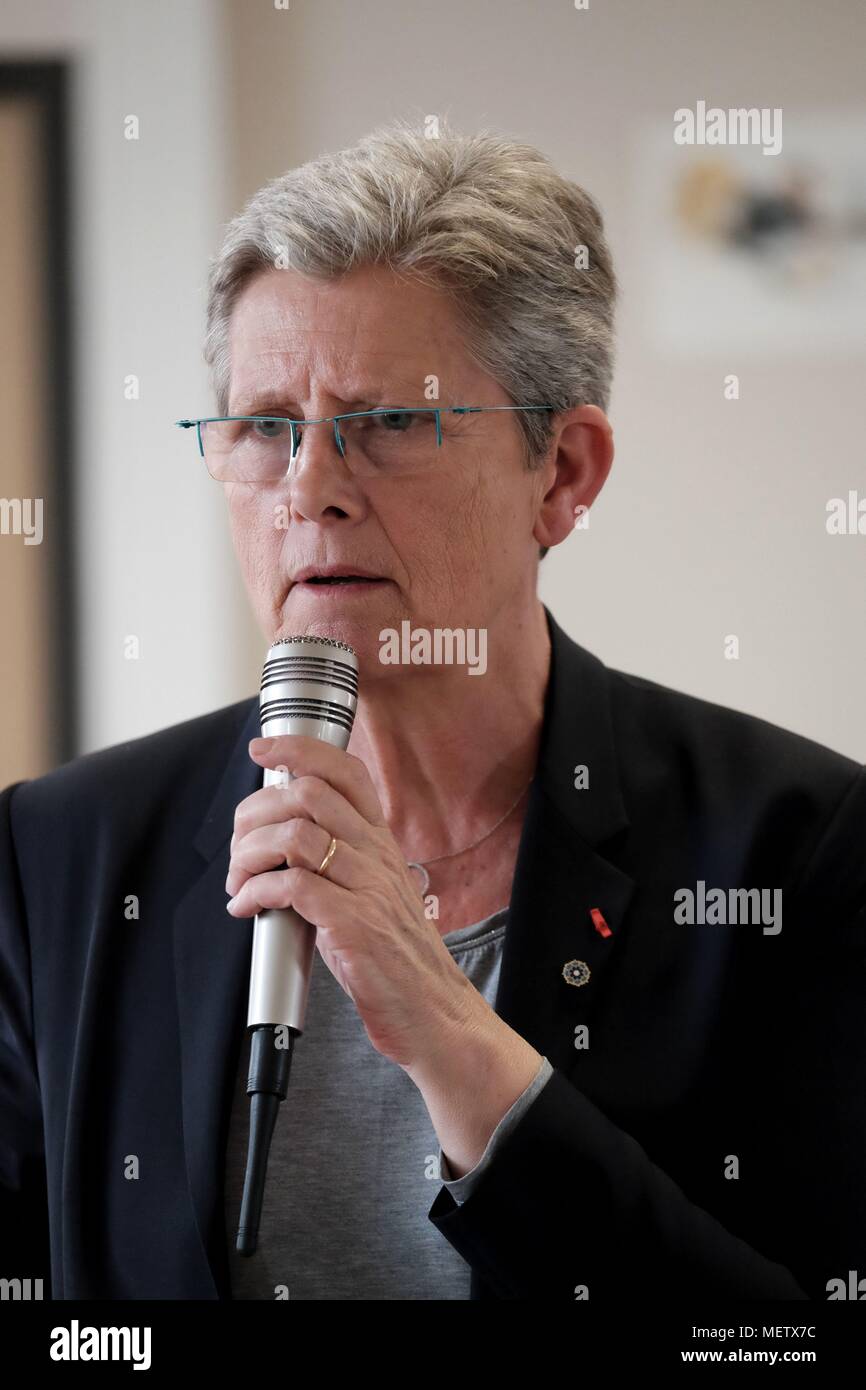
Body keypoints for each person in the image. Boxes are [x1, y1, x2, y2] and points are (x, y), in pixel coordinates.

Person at [1, 119, 864, 1301]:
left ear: (561, 475)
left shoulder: (797, 844)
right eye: (264, 426)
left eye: (389, 423)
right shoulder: (63, 852)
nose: (309, 490)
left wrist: (451, 1035)